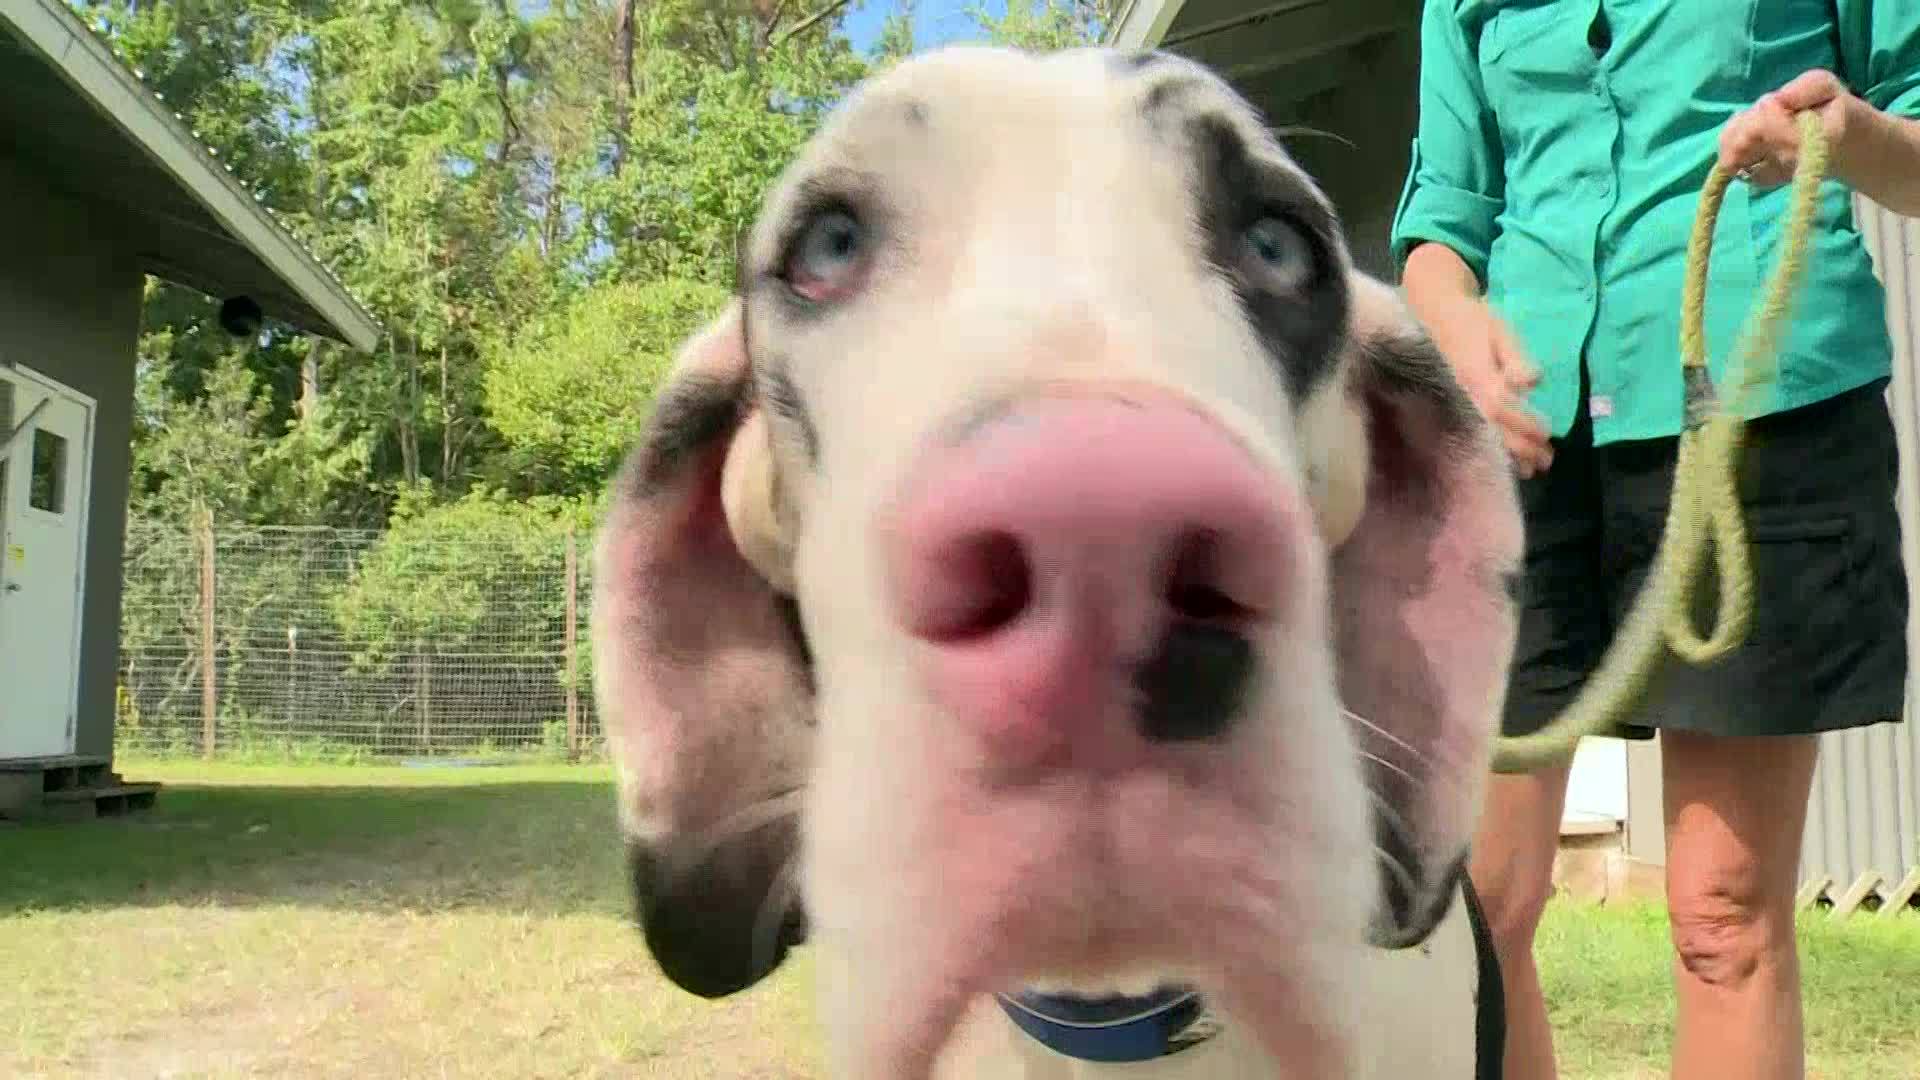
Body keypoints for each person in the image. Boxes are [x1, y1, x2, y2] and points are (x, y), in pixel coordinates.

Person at [1389, 3, 1920, 1079]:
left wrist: (1846, 133)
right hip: (1524, 450)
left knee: (1720, 918)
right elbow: (1442, 223)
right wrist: (1456, 328)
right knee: (1477, 915)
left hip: (1755, 418)